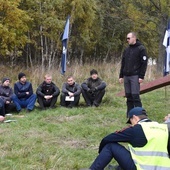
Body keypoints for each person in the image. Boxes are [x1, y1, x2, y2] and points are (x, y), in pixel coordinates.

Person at [87, 107, 170, 170]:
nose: (131, 124)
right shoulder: (164, 128)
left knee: (110, 146)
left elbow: (107, 139)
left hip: (142, 168)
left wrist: (101, 153)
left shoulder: (136, 129)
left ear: (135, 118)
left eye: (131, 122)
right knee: (132, 152)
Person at [119, 32, 148, 117]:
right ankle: (130, 114)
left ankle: (140, 115)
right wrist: (121, 75)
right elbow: (123, 62)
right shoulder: (126, 49)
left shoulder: (141, 48)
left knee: (135, 96)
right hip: (126, 75)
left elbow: (144, 63)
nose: (127, 40)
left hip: (135, 75)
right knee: (128, 96)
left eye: (129, 38)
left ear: (134, 38)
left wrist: (141, 76)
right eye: (127, 38)